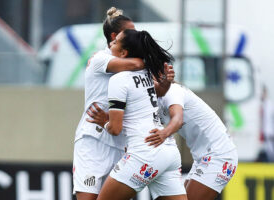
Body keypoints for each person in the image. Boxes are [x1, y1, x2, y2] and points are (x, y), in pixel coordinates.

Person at [73, 7, 174, 200]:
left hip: (120, 141)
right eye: (130, 31)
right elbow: (136, 65)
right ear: (114, 36)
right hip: (93, 140)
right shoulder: (100, 59)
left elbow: (158, 91)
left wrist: (165, 80)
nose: (134, 34)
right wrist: (153, 58)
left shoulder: (133, 65)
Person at [87, 29, 187, 200]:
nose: (111, 43)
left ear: (123, 53)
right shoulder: (148, 74)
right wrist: (165, 81)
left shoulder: (119, 80)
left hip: (144, 153)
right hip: (168, 152)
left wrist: (104, 121)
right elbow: (161, 91)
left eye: (115, 42)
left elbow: (115, 128)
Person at [144, 83, 238, 200]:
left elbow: (178, 120)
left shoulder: (172, 91)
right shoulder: (152, 99)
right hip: (202, 157)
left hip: (219, 155)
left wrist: (163, 134)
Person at [259, 85, 274, 162]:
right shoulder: (261, 104)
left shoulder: (269, 104)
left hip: (269, 130)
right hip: (264, 130)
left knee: (270, 148)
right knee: (266, 148)